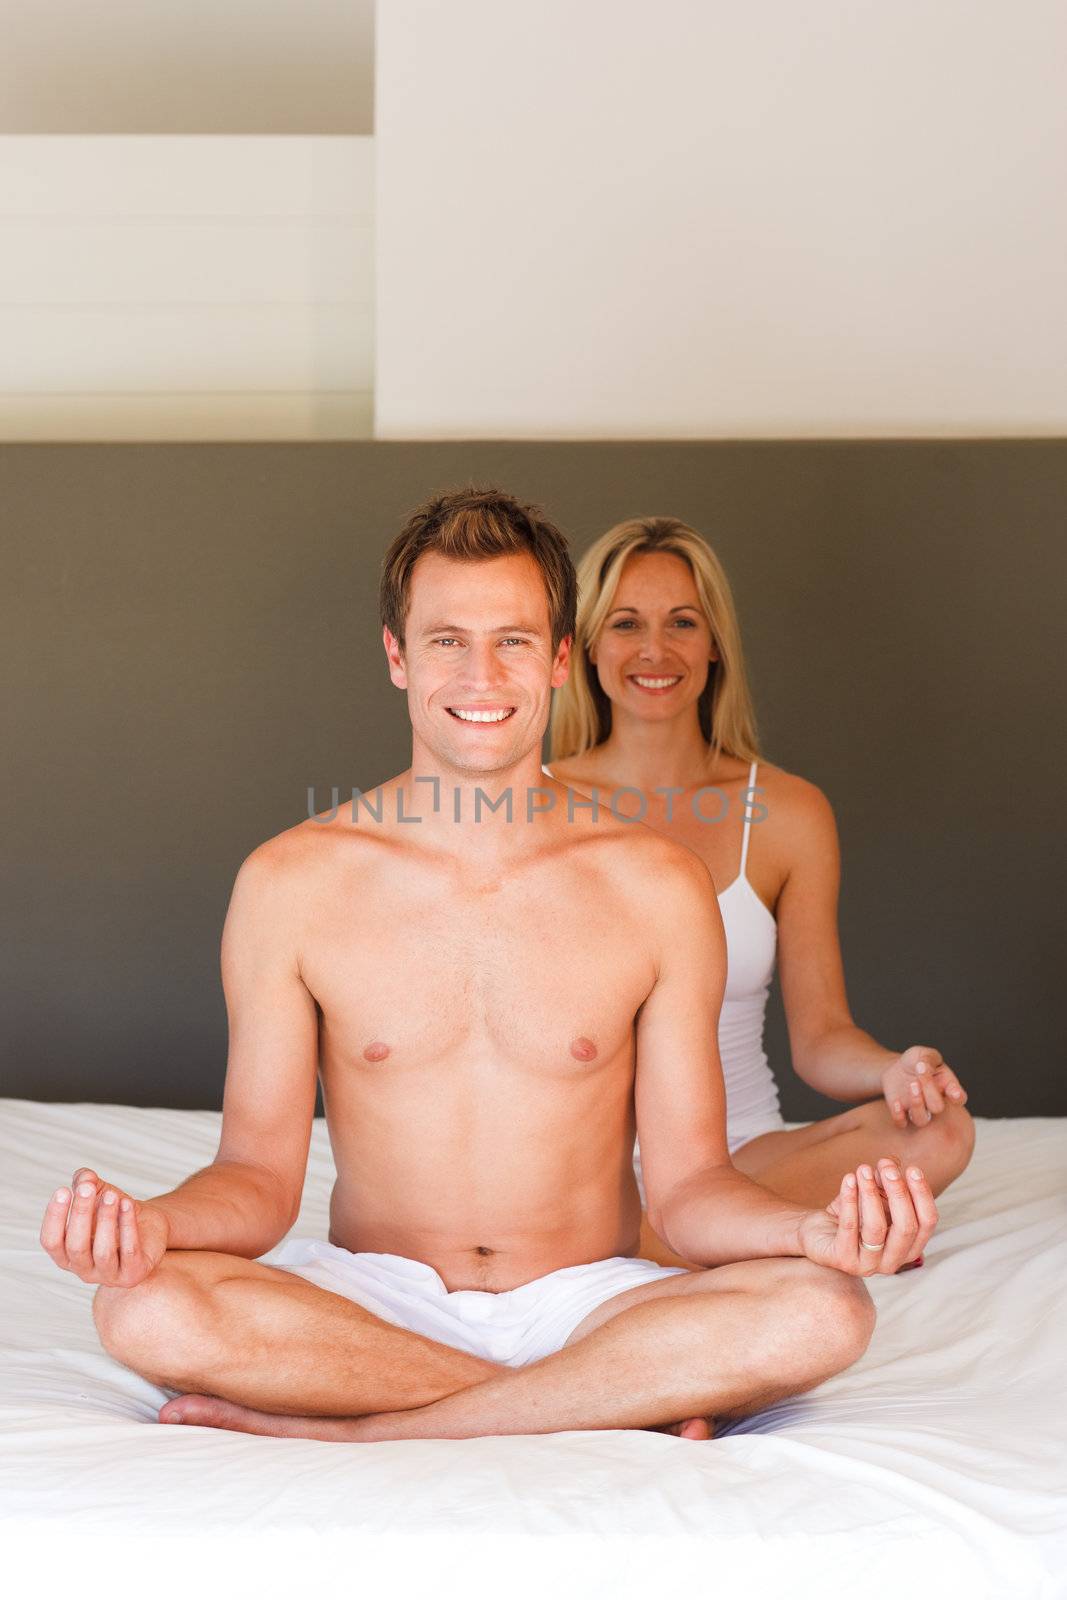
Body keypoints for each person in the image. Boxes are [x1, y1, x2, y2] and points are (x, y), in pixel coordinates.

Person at [39, 487, 940, 1446]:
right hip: (374, 1295)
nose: (481, 674)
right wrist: (149, 1225)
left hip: (587, 1295)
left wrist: (804, 1234)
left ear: (558, 660)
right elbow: (257, 1178)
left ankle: (373, 1425)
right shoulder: (287, 882)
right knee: (142, 1305)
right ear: (395, 656)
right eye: (445, 641)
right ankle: (591, 1400)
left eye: (513, 640)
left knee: (824, 1309)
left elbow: (685, 1193)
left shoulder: (657, 886)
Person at [546, 516, 975, 1273]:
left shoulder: (786, 811)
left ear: (714, 643)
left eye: (682, 622)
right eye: (624, 624)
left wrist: (892, 1071)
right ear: (587, 646)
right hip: (580, 1164)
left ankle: (661, 1241)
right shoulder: (532, 802)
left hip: (742, 1153)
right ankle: (717, 1236)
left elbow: (819, 1039)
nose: (654, 650)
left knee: (942, 1132)